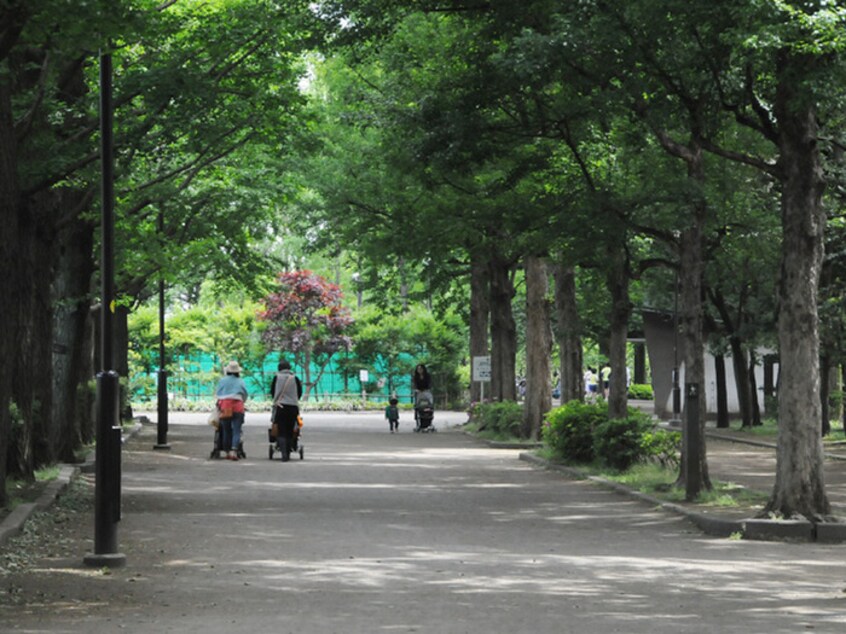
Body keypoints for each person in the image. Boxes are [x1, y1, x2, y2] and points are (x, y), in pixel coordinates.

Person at [215, 360, 249, 461]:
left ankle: (226, 450)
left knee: (226, 430)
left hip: (225, 406)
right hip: (238, 406)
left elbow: (218, 394)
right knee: (237, 430)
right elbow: (245, 394)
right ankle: (234, 451)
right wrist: (242, 401)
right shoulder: (240, 381)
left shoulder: (222, 381)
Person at [270, 359, 303, 462]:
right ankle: (288, 451)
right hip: (293, 407)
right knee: (290, 430)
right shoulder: (295, 378)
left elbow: (272, 391)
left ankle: (284, 453)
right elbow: (299, 393)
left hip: (280, 407)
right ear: (289, 368)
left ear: (279, 368)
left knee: (281, 430)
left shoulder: (276, 378)